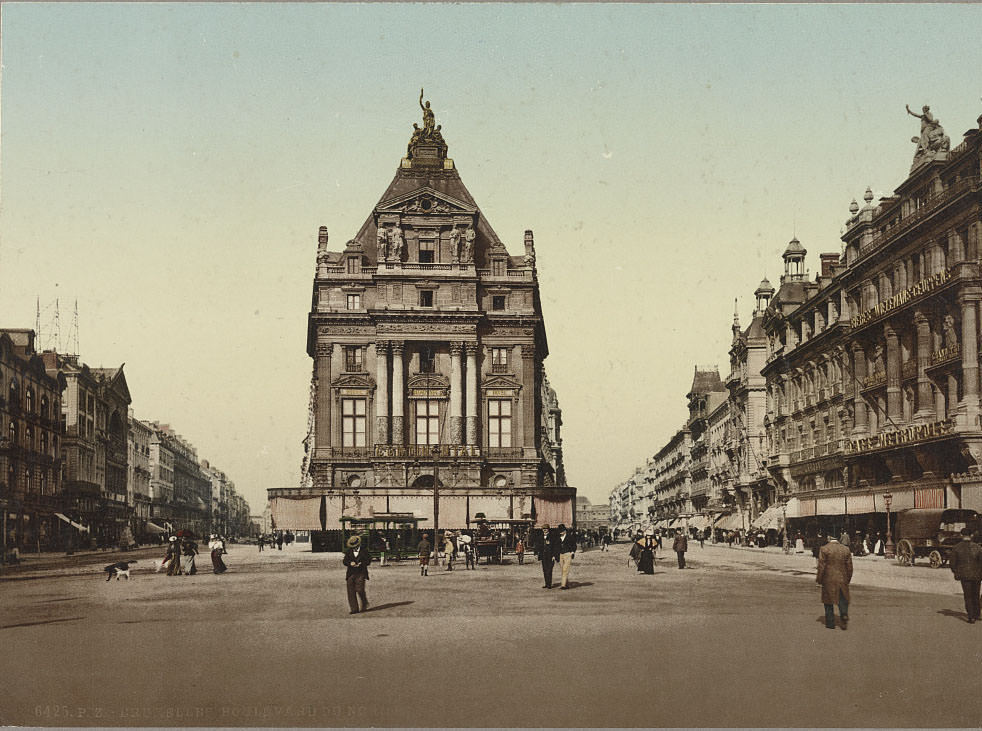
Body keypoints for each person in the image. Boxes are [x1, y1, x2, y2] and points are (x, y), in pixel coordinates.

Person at [816, 533, 853, 630]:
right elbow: (849, 567)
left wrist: (819, 579)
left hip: (828, 579)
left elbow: (821, 566)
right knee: (842, 599)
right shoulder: (846, 549)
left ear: (828, 537)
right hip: (842, 578)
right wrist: (847, 579)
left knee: (828, 601)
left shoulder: (824, 549)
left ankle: (830, 623)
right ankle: (844, 615)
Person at [948, 527, 982, 623]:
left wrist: (957, 572)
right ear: (971, 535)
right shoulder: (978, 547)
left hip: (964, 575)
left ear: (961, 535)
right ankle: (977, 614)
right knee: (976, 594)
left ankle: (971, 617)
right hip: (977, 575)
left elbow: (952, 564)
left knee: (968, 596)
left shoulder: (956, 548)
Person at [342, 535, 372, 615]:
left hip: (361, 572)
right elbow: (344, 561)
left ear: (358, 544)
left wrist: (362, 563)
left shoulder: (364, 551)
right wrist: (350, 563)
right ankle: (354, 609)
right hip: (351, 573)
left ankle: (364, 602)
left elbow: (369, 560)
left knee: (360, 589)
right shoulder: (349, 551)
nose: (354, 548)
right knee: (350, 590)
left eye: (355, 546)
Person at [536, 524, 559, 589]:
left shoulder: (552, 537)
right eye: (543, 529)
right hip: (543, 556)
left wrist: (554, 555)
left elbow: (555, 547)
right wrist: (538, 554)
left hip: (550, 556)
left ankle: (549, 584)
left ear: (548, 529)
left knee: (549, 570)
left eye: (546, 529)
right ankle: (546, 583)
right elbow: (539, 546)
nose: (544, 530)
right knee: (544, 570)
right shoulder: (540, 537)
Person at [557, 524, 576, 589]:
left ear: (565, 530)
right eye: (559, 531)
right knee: (563, 570)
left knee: (565, 569)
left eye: (562, 530)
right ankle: (566, 584)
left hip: (568, 554)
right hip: (560, 554)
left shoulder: (570, 536)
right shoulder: (558, 537)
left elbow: (574, 545)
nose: (560, 532)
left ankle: (563, 585)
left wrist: (572, 552)